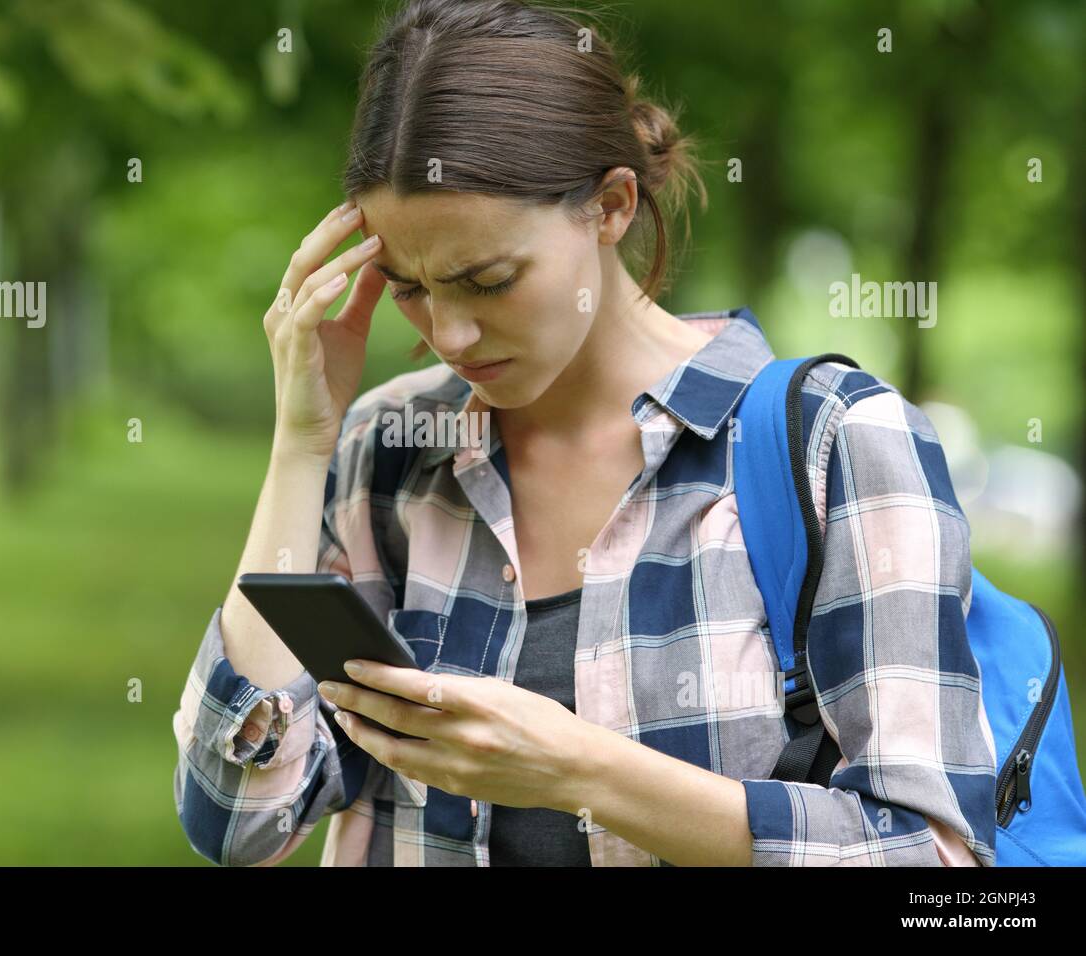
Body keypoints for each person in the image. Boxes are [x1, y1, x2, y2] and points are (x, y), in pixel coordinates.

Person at [171, 0, 998, 867]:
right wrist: (301, 447)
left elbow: (937, 869)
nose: (447, 333)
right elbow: (238, 822)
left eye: (486, 280)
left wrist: (586, 773)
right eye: (407, 285)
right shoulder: (392, 448)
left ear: (608, 206)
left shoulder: (834, 444)